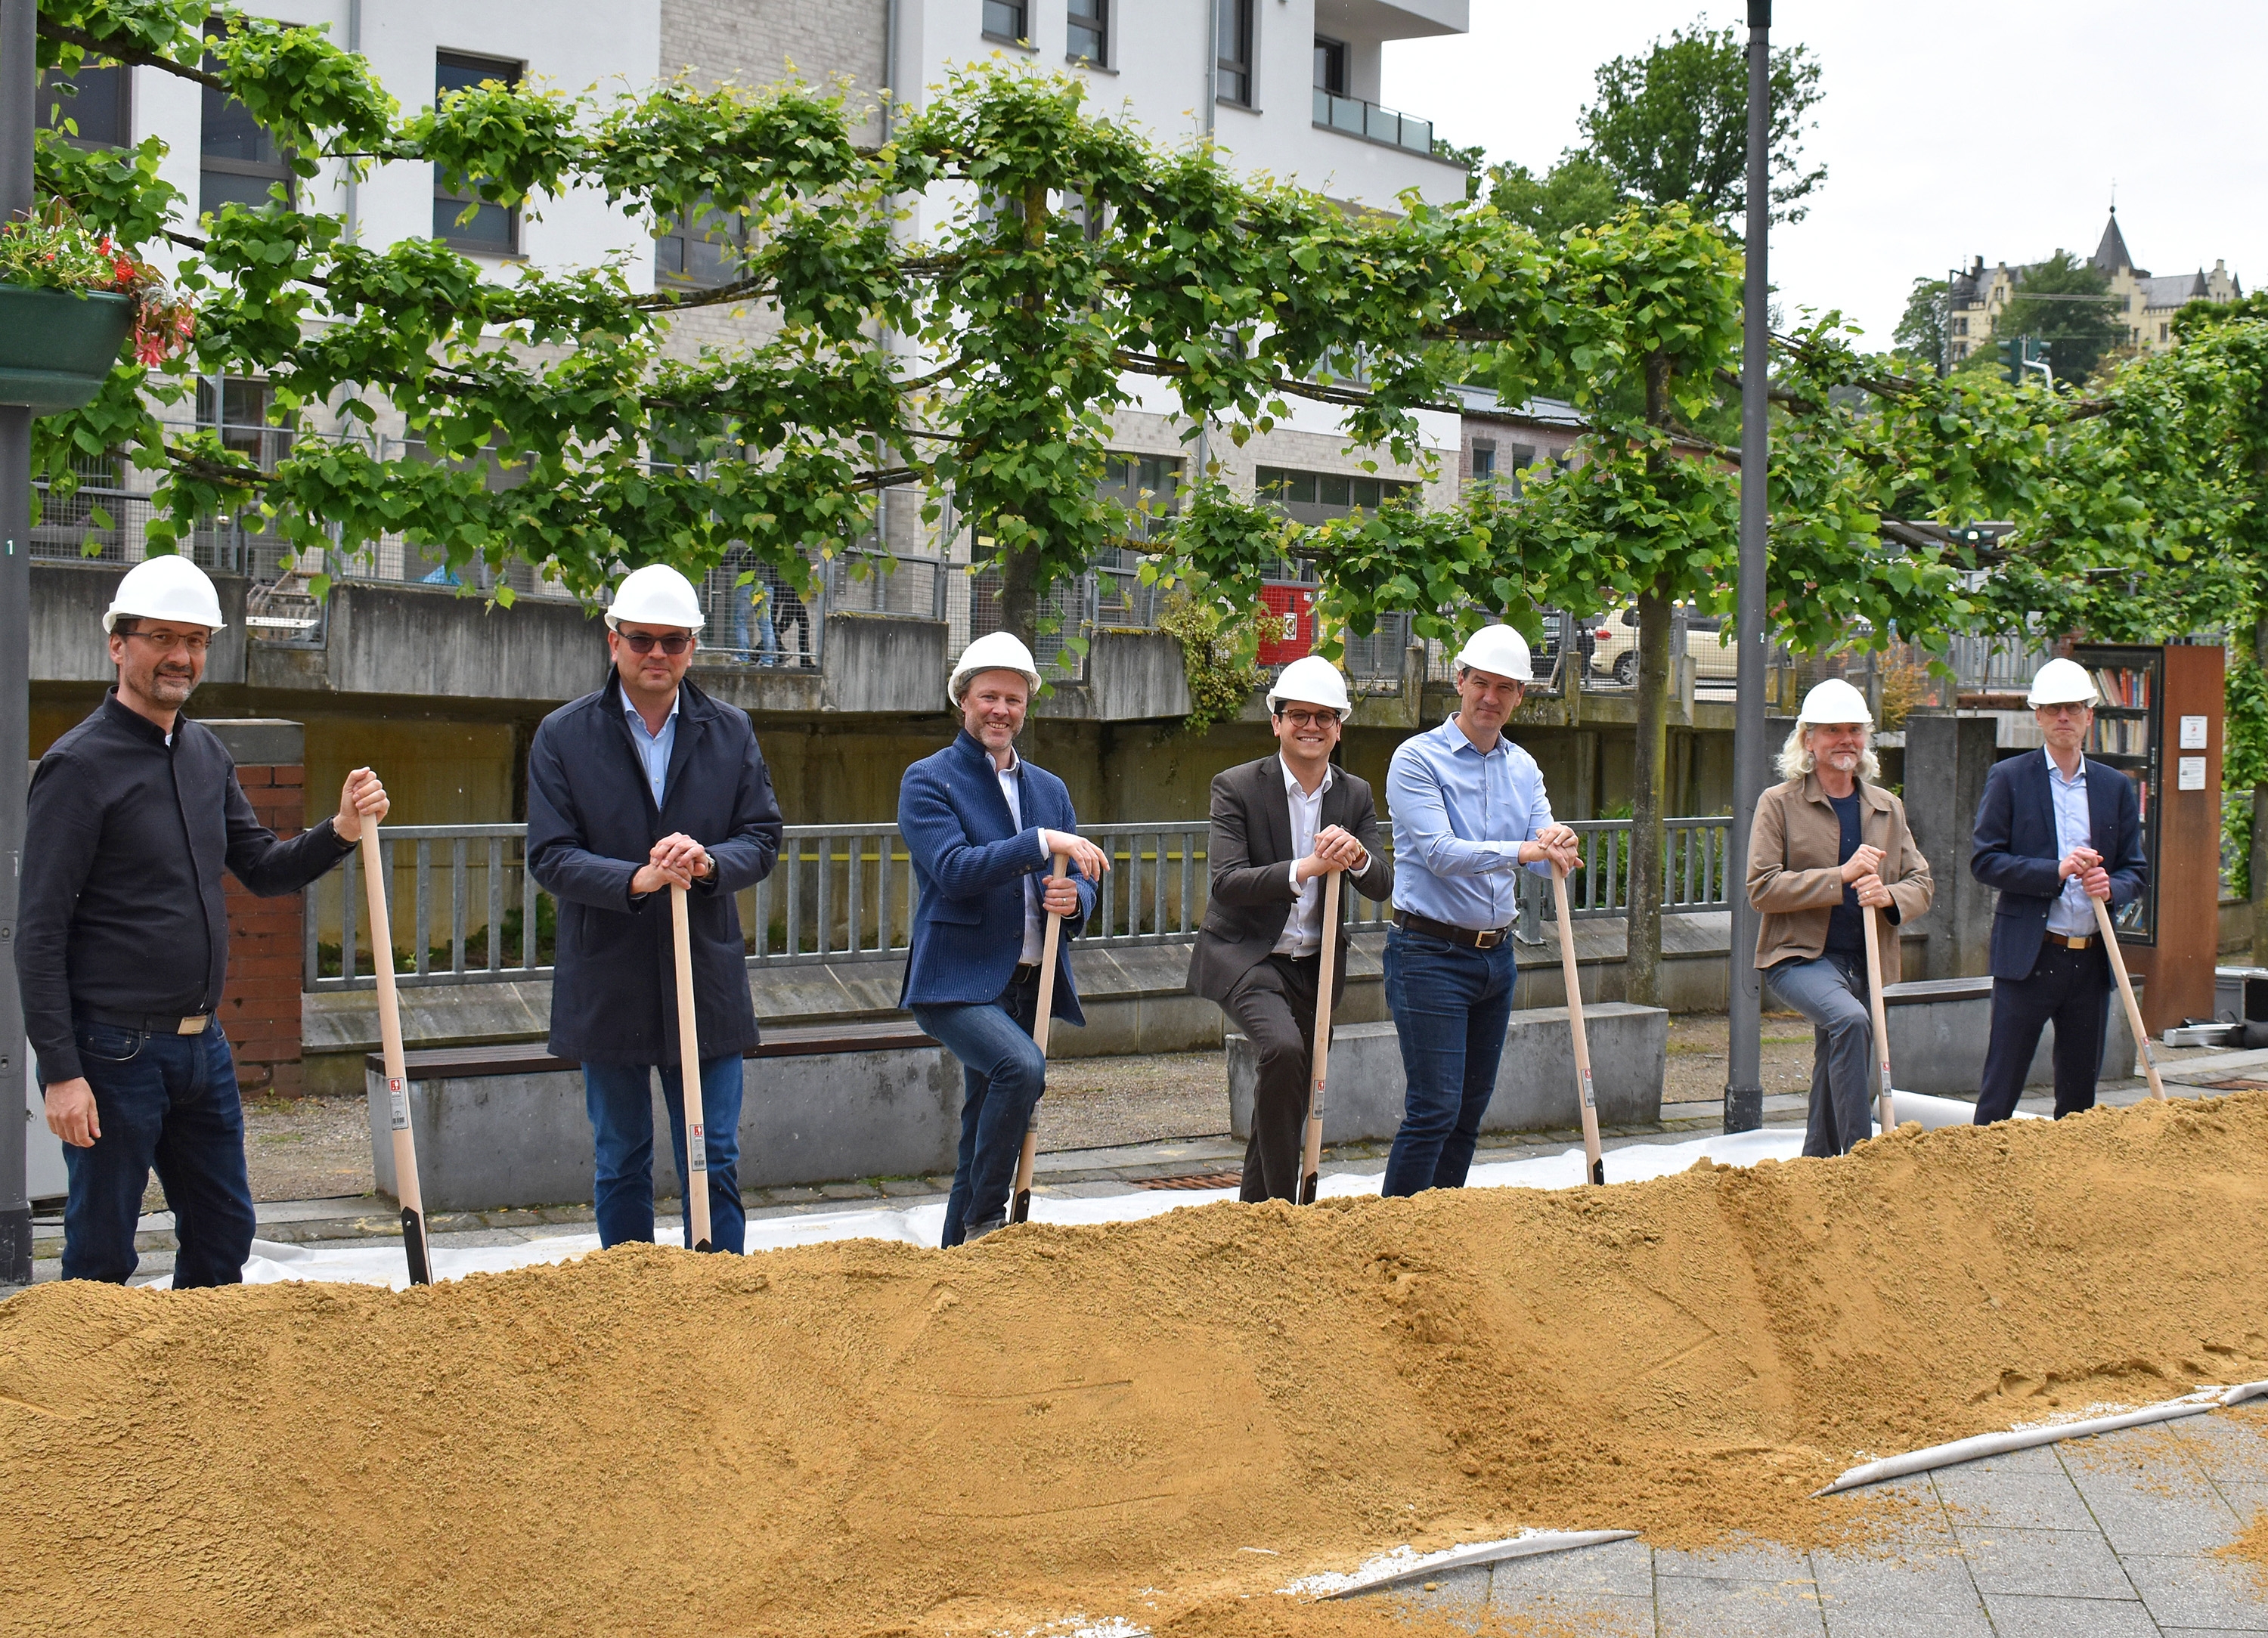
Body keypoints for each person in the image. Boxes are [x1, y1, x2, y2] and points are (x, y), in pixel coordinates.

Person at [20, 554, 388, 1287]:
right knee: (102, 1249)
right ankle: (93, 1397)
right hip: (113, 1051)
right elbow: (39, 932)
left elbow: (261, 866)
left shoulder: (203, 754)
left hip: (202, 1046)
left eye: (195, 640)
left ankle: (195, 1394)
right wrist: (62, 1075)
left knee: (225, 1231)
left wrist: (341, 829)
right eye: (161, 637)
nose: (181, 656)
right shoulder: (78, 767)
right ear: (118, 644)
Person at [526, 563, 784, 1253]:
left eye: (674, 642)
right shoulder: (564, 735)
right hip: (608, 976)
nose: (657, 656)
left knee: (715, 1154)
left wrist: (706, 864)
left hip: (705, 975)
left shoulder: (729, 731)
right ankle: (631, 1309)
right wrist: (637, 878)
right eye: (642, 640)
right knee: (620, 1157)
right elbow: (550, 854)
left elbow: (761, 837)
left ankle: (721, 1294)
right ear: (613, 641)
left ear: (693, 647)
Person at [899, 632, 1105, 1246]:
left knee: (978, 1134)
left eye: (1013, 699)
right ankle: (990, 1224)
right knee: (1022, 1068)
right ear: (962, 700)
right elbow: (955, 869)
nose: (1001, 710)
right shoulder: (929, 780)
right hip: (955, 980)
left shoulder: (1051, 789)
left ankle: (958, 1260)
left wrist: (1074, 901)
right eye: (988, 696)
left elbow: (1083, 884)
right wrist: (1040, 843)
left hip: (1027, 980)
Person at [1380, 624, 1580, 1197]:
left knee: (1468, 1115)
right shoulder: (1416, 759)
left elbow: (1544, 857)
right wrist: (1526, 851)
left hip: (1497, 959)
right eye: (1481, 684)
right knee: (1434, 1109)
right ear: (1459, 681)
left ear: (1521, 696)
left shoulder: (1524, 768)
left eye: (1505, 688)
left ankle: (1446, 1234)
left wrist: (1560, 847)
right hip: (1428, 954)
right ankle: (1395, 1234)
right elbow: (1440, 854)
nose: (1490, 698)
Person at [1188, 657, 1393, 1201]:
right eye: (1298, 714)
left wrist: (1356, 858)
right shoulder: (1235, 787)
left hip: (1316, 964)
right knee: (1281, 1050)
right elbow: (1228, 883)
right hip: (1248, 956)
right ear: (1275, 721)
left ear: (1339, 727)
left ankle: (1259, 1212)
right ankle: (1281, 1210)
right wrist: (1306, 867)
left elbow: (1381, 883)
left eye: (1324, 717)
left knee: (1292, 1091)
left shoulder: (1355, 794)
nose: (1311, 726)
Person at [1746, 677, 1935, 1157]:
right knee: (1850, 1024)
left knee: (1838, 1049)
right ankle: (1859, 1157)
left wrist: (1888, 895)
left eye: (1855, 729)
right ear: (1808, 739)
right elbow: (1762, 888)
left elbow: (1921, 884)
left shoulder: (1886, 808)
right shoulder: (1780, 803)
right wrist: (1841, 877)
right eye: (1832, 730)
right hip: (1799, 958)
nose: (1845, 740)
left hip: (1868, 962)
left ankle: (1818, 1164)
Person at [1970, 657, 2149, 1123]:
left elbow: (2137, 872)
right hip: (2030, 957)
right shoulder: (2009, 778)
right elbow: (1985, 860)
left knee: (2079, 1102)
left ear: (2090, 714)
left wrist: (2110, 888)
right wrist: (2056, 870)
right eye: (2052, 709)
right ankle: (1979, 1181)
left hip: (2090, 961)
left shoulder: (2114, 787)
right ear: (2038, 716)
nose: (2063, 718)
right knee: (2000, 1091)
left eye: (2072, 708)